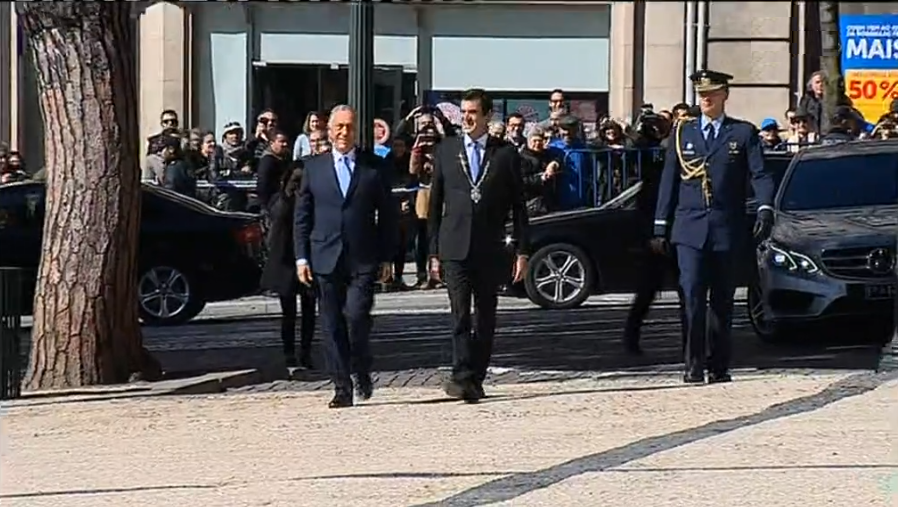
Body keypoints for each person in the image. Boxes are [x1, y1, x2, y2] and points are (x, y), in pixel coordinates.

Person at [652, 70, 775, 385]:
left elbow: (759, 174)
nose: (706, 99)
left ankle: (719, 364)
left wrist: (764, 206)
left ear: (724, 96)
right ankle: (692, 364)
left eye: (712, 93)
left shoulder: (742, 133)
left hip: (725, 226)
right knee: (691, 295)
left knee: (722, 299)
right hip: (689, 228)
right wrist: (660, 225)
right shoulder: (683, 133)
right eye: (701, 94)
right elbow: (668, 181)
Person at [294, 104, 399, 409]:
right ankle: (342, 387)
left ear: (356, 131)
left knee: (356, 316)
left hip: (363, 257)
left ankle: (361, 364)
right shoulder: (313, 167)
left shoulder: (373, 167)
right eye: (338, 127)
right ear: (329, 131)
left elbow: (388, 215)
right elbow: (302, 217)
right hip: (324, 255)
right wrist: (301, 257)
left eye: (349, 127)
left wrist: (387, 257)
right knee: (331, 323)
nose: (343, 132)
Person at [428, 88, 530, 402]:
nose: (467, 118)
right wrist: (432, 252)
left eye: (473, 112)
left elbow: (519, 207)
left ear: (487, 115)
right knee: (459, 314)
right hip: (454, 245)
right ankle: (461, 375)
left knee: (486, 316)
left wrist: (523, 251)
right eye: (464, 112)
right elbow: (435, 204)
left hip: (490, 247)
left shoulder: (505, 154)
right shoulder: (446, 149)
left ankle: (477, 375)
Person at [260, 166, 317, 369]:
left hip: (307, 259)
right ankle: (289, 353)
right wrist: (288, 195)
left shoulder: (312, 200)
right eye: (294, 181)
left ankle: (305, 352)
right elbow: (274, 226)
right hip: (285, 261)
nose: (298, 186)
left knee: (309, 311)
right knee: (289, 312)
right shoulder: (281, 201)